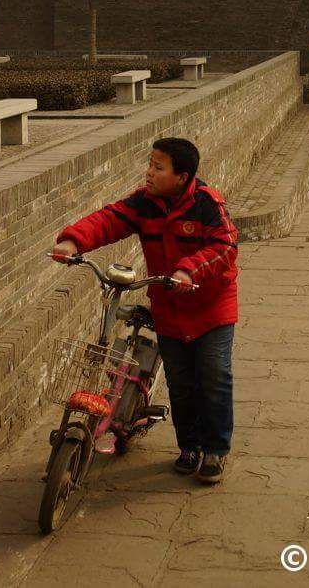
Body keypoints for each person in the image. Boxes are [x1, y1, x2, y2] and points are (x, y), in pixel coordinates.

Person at [51, 137, 238, 484]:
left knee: (213, 378)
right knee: (181, 384)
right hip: (169, 309)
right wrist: (73, 240)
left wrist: (187, 271)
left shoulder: (207, 204)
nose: (149, 173)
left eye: (158, 167)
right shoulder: (145, 203)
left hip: (211, 309)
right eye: (150, 164)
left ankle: (215, 449)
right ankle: (190, 447)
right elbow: (110, 219)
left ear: (181, 177)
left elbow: (225, 246)